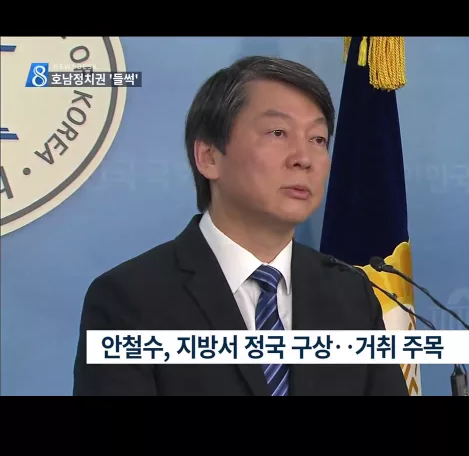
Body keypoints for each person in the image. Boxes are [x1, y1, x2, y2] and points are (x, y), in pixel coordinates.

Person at [73, 55, 409, 396]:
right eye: (278, 133)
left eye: (318, 139)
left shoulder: (351, 295)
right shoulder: (130, 300)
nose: (303, 158)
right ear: (209, 157)